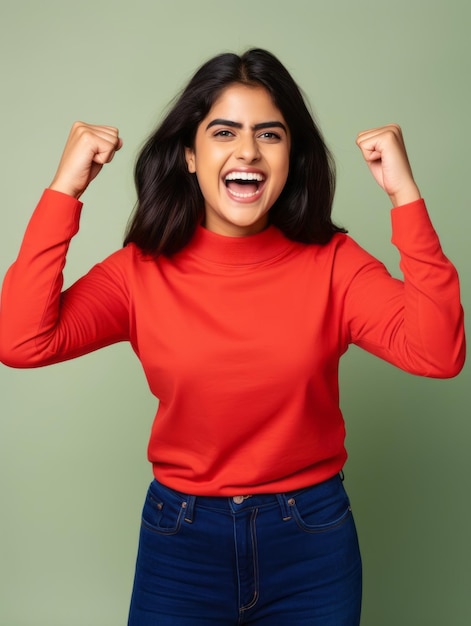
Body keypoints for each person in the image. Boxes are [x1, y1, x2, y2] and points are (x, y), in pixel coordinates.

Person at [0, 48, 465, 626]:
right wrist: (65, 189)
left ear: (291, 157)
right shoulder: (139, 271)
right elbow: (22, 340)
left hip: (311, 541)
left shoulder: (334, 264)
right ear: (191, 156)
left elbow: (438, 353)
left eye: (269, 134)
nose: (248, 150)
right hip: (181, 542)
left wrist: (405, 196)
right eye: (224, 132)